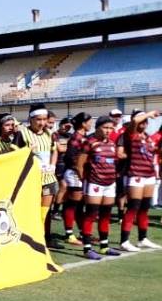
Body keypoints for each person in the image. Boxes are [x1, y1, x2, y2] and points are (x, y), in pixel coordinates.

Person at [116, 110, 162, 252]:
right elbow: (134, 122)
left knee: (144, 208)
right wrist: (148, 114)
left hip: (148, 174)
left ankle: (142, 239)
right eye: (142, 120)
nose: (144, 123)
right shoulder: (131, 134)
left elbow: (152, 151)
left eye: (145, 121)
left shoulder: (148, 137)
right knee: (133, 207)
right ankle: (124, 241)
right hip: (135, 174)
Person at [13, 104, 58, 246]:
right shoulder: (22, 134)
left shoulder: (49, 134)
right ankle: (30, 242)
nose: (42, 123)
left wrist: (53, 165)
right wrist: (27, 151)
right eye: (39, 119)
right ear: (31, 119)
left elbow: (54, 150)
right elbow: (13, 155)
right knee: (30, 212)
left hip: (47, 179)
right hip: (30, 180)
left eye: (45, 119)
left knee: (43, 214)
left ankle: (40, 242)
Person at [77, 116, 120, 259]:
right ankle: (87, 248)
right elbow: (80, 164)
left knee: (105, 215)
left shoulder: (113, 144)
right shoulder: (89, 143)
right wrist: (84, 180)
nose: (108, 131)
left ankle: (104, 246)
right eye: (105, 127)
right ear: (98, 127)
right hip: (94, 183)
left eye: (111, 128)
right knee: (91, 214)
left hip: (109, 184)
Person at [61, 112, 93, 246]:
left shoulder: (83, 137)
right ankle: (69, 234)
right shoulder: (76, 138)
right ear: (83, 123)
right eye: (89, 122)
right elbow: (70, 157)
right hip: (75, 173)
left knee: (79, 205)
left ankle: (82, 233)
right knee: (72, 204)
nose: (91, 124)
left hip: (80, 173)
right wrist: (80, 170)